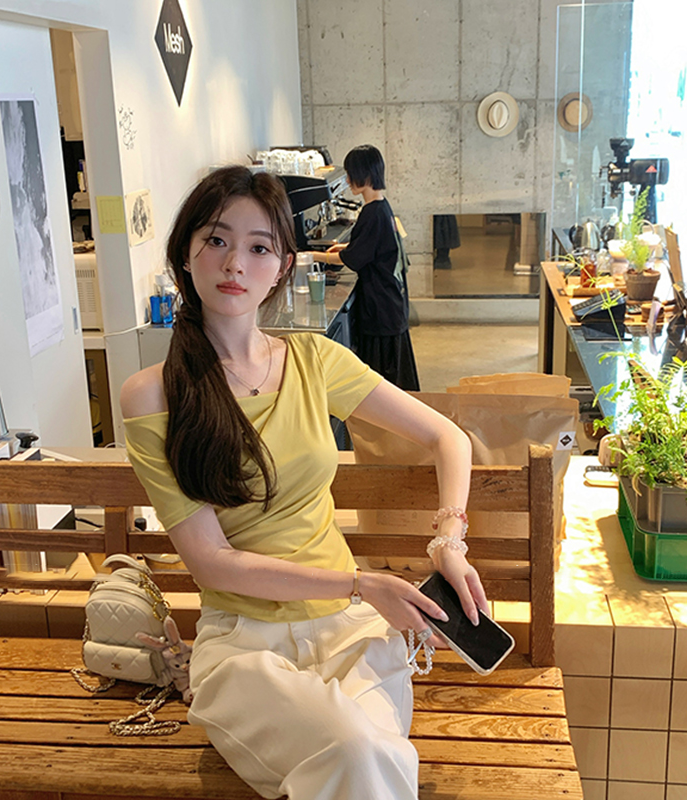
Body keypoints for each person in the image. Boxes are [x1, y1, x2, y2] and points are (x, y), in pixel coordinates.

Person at [119, 165, 486, 800]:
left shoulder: (315, 360)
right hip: (245, 646)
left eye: (259, 247)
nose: (235, 262)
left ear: (283, 267)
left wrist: (448, 542)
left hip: (353, 634)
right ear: (185, 252)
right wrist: (361, 583)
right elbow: (212, 562)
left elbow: (447, 437)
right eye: (216, 239)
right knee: (360, 753)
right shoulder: (153, 394)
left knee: (364, 761)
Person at [302, 144, 420, 391]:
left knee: (382, 383)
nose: (347, 180)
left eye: (350, 174)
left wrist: (313, 255)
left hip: (381, 308)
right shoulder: (381, 207)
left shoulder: (372, 213)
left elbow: (353, 259)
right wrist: (344, 247)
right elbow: (369, 246)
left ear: (364, 175)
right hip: (390, 303)